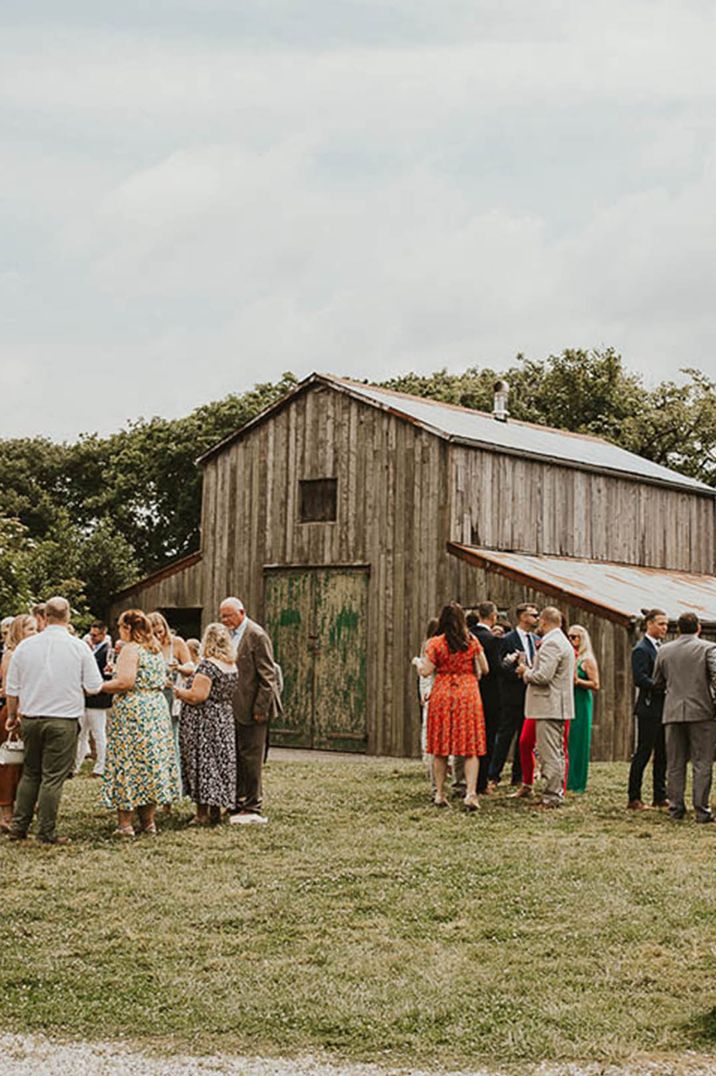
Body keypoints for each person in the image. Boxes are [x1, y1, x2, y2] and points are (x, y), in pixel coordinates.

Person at [5, 597, 102, 845]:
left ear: (45, 616)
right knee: (53, 777)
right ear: (67, 616)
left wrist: (13, 716)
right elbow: (94, 686)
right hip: (63, 719)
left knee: (30, 773)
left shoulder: (25, 648)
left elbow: (12, 689)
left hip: (31, 718)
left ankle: (19, 826)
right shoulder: (79, 647)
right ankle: (45, 832)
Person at [101, 609, 180, 837]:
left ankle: (125, 824)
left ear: (128, 628)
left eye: (120, 627)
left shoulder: (130, 649)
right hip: (155, 707)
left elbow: (125, 682)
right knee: (151, 762)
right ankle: (148, 821)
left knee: (129, 761)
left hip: (134, 709)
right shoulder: (154, 648)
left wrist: (99, 686)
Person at [412, 602, 488, 811]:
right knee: (470, 745)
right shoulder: (472, 640)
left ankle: (439, 792)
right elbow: (485, 667)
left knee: (440, 745)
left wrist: (418, 663)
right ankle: (471, 793)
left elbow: (426, 671)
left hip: (443, 692)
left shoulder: (436, 643)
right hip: (468, 693)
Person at [219, 597, 282, 825]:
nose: (225, 620)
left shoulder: (256, 635)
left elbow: (268, 676)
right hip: (235, 706)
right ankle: (238, 801)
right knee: (236, 755)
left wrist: (261, 708)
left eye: (228, 616)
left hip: (255, 708)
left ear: (241, 612)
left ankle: (253, 804)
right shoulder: (229, 635)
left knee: (252, 758)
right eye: (222, 616)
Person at [653, 612, 716, 823]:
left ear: (678, 629)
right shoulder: (708, 648)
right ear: (698, 627)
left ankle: (676, 808)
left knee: (675, 762)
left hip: (672, 711)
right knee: (702, 762)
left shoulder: (664, 650)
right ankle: (701, 810)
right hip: (702, 711)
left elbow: (657, 680)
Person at [174, 623, 238, 826]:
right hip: (224, 719)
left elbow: (197, 696)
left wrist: (177, 691)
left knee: (202, 763)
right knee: (219, 763)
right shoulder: (231, 665)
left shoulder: (208, 666)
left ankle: (202, 813)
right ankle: (216, 809)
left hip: (204, 722)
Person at [516, 606, 575, 809]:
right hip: (555, 704)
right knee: (555, 751)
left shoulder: (552, 644)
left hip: (549, 704)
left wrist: (525, 671)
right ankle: (555, 792)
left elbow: (543, 676)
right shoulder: (561, 641)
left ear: (544, 621)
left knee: (549, 752)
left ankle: (551, 796)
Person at [488, 603, 539, 789]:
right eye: (533, 615)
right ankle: (494, 775)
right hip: (512, 694)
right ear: (522, 617)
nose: (537, 618)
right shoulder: (507, 639)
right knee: (505, 736)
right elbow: (501, 667)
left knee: (524, 738)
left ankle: (519, 775)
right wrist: (517, 672)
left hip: (531, 694)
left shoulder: (536, 639)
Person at [627, 608, 668, 810]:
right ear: (649, 624)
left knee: (663, 753)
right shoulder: (641, 649)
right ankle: (634, 796)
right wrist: (661, 686)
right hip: (649, 707)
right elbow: (640, 678)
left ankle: (660, 795)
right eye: (661, 624)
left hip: (664, 708)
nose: (664, 628)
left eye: (666, 624)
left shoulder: (663, 647)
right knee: (643, 752)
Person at [0, 615, 38, 832]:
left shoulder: (32, 652)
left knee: (27, 764)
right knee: (10, 763)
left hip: (32, 710)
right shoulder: (11, 654)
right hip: (14, 711)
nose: (35, 632)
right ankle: (6, 814)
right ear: (19, 631)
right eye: (30, 629)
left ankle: (24, 808)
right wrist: (17, 714)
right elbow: (8, 689)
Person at [148, 611, 191, 780]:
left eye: (161, 631)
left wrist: (178, 668)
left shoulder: (177, 643)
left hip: (172, 698)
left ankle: (174, 784)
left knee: (172, 742)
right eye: (154, 632)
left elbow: (191, 668)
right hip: (153, 696)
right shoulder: (145, 646)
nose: (159, 635)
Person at [471, 602, 503, 794]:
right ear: (493, 617)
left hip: (470, 691)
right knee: (488, 738)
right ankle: (482, 782)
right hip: (490, 695)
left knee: (470, 738)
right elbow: (496, 669)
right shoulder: (491, 640)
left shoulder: (468, 636)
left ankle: (465, 780)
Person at [74, 621, 113, 777]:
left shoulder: (108, 650)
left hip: (99, 699)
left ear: (104, 633)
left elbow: (107, 674)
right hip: (84, 698)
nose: (92, 637)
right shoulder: (90, 648)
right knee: (80, 734)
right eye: (91, 634)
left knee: (99, 734)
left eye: (95, 635)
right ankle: (75, 766)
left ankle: (100, 767)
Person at [566, 625, 599, 793]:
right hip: (568, 700)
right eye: (569, 637)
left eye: (575, 637)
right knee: (568, 740)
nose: (571, 640)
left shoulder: (587, 660)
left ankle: (577, 781)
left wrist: (578, 681)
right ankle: (566, 779)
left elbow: (596, 684)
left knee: (579, 740)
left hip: (581, 700)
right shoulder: (570, 656)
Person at [414, 617, 439, 796]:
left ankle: (434, 764)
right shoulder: (432, 644)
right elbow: (425, 673)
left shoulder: (433, 644)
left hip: (435, 690)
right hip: (435, 690)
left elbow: (424, 673)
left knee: (430, 729)